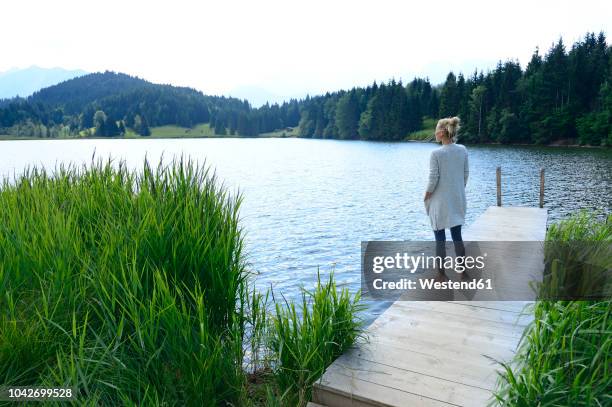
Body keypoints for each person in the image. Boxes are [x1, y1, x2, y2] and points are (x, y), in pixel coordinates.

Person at [424, 117, 468, 273]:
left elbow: (433, 178)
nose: (435, 132)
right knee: (457, 237)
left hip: (439, 202)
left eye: (436, 129)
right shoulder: (462, 150)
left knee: (440, 240)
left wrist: (426, 195)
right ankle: (463, 272)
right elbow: (465, 175)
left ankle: (441, 275)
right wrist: (455, 191)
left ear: (442, 133)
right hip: (457, 200)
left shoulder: (436, 154)